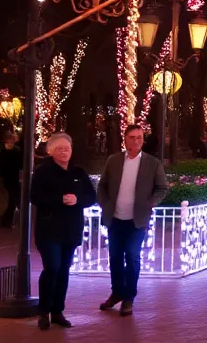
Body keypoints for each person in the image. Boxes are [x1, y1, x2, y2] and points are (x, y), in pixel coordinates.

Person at [96, 124, 169, 317]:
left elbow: (162, 188)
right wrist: (105, 204)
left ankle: (129, 297)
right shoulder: (114, 161)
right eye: (132, 137)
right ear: (125, 139)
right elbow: (102, 185)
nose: (136, 140)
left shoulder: (152, 163)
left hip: (137, 220)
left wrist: (150, 203)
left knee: (132, 255)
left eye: (139, 137)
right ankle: (117, 293)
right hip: (115, 218)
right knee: (115, 257)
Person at [30, 132, 97, 330]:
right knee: (52, 268)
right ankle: (44, 311)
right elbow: (35, 197)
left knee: (64, 270)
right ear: (50, 151)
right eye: (59, 149)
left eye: (67, 148)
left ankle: (58, 310)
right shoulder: (42, 172)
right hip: (49, 229)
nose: (64, 152)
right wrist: (59, 200)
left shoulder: (78, 172)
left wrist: (78, 200)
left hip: (71, 229)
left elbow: (91, 196)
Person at [0, 129, 21, 229]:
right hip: (12, 178)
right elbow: (19, 164)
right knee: (12, 199)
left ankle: (3, 221)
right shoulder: (16, 150)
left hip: (2, 177)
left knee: (5, 199)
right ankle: (8, 222)